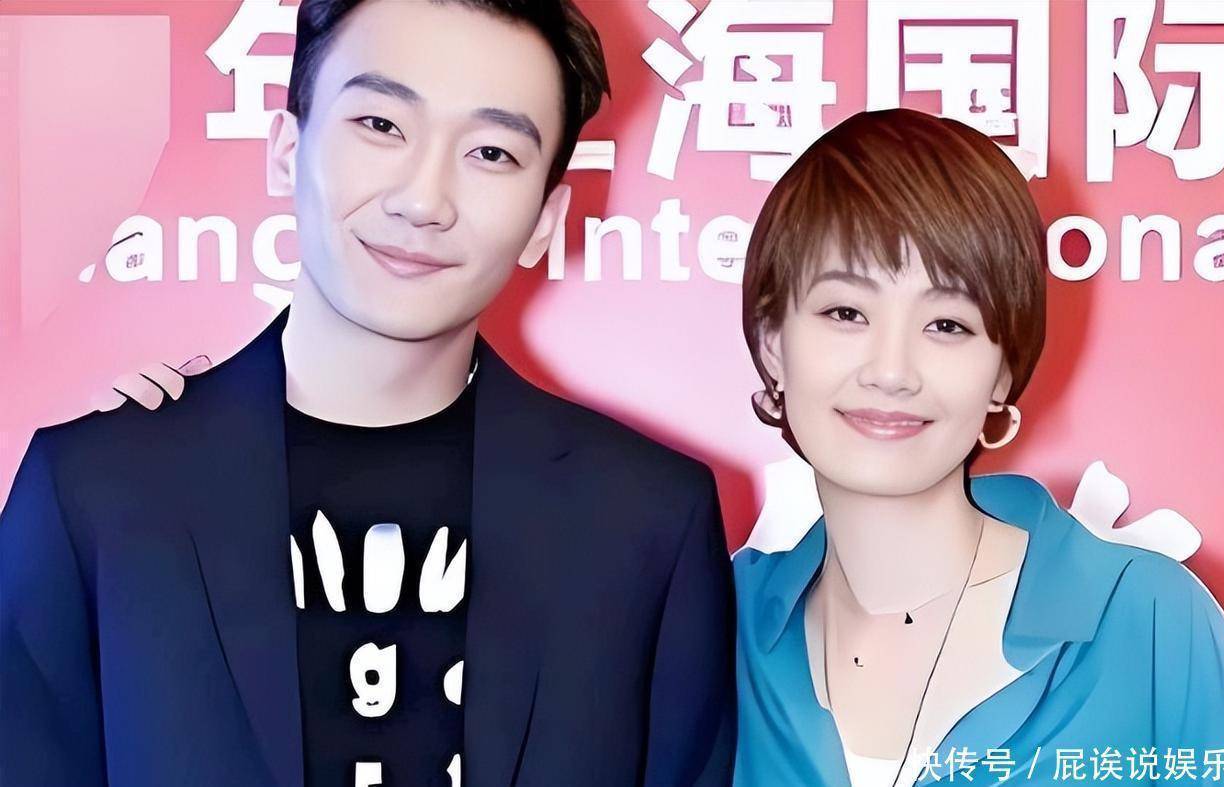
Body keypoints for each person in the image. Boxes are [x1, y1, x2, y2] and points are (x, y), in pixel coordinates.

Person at [0, 1, 736, 785]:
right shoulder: (96, 492)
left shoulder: (647, 523)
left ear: (545, 221)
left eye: (491, 152)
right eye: (381, 125)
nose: (424, 200)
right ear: (288, 150)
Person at [731, 108, 1224, 786]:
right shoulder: (716, 623)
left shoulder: (1149, 620)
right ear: (773, 342)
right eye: (845, 312)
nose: (892, 370)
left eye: (948, 324)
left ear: (1003, 371)